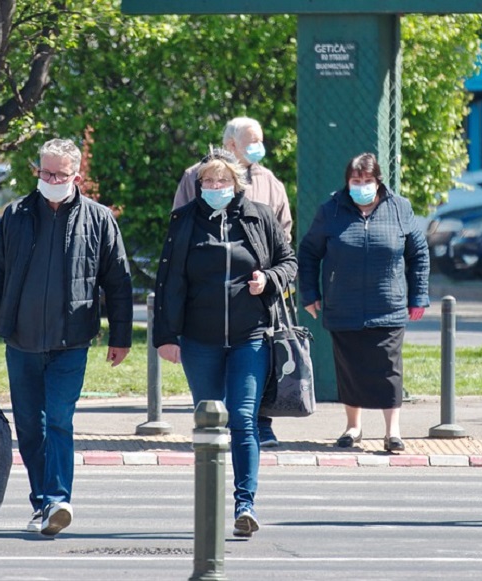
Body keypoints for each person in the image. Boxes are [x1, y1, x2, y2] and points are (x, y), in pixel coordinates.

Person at [0, 138, 133, 537]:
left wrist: (122, 336)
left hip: (71, 342)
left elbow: (119, 283)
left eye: (60, 174)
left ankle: (58, 499)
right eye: (45, 172)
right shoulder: (16, 214)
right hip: (21, 341)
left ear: (76, 176)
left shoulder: (98, 219)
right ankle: (42, 501)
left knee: (59, 420)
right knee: (29, 427)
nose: (51, 179)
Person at [154, 147, 297, 538]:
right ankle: (210, 503)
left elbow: (289, 262)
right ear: (198, 185)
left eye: (223, 181)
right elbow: (166, 282)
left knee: (243, 418)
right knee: (208, 421)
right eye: (208, 182)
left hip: (250, 339)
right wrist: (164, 336)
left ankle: (244, 504)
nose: (215, 187)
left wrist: (268, 279)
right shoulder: (184, 221)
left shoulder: (259, 216)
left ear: (237, 184)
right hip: (198, 341)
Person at [298, 152, 430, 452]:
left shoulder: (399, 208)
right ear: (347, 183)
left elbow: (418, 254)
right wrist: (310, 294)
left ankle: (392, 432)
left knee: (388, 368)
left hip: (389, 305)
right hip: (343, 305)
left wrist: (418, 296)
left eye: (368, 180)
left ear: (378, 181)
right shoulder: (330, 211)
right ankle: (353, 427)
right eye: (356, 181)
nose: (362, 186)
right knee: (350, 368)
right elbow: (308, 253)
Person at [173, 116, 292, 448]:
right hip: (204, 307)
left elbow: (284, 236)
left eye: (260, 140)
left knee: (256, 371)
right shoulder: (194, 178)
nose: (258, 147)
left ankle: (260, 424)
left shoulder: (270, 182)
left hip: (256, 300)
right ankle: (216, 432)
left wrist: (269, 276)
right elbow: (180, 226)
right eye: (250, 141)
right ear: (230, 145)